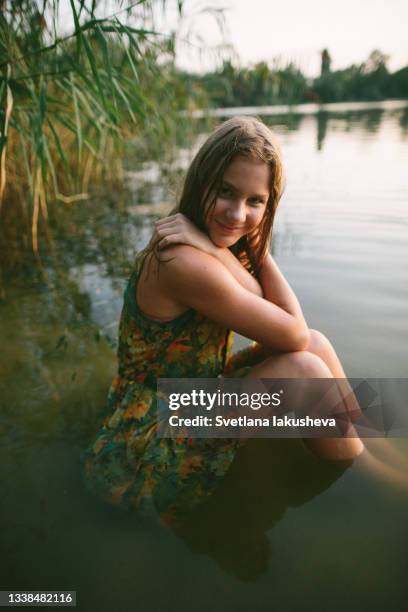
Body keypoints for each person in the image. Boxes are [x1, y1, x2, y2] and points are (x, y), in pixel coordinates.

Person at [81, 116, 365, 527]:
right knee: (303, 367)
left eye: (256, 201)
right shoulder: (180, 260)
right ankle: (357, 480)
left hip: (188, 400)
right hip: (150, 435)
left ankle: (363, 454)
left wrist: (242, 242)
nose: (237, 213)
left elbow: (287, 323)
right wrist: (233, 246)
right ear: (201, 182)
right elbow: (291, 332)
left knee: (317, 347)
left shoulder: (207, 245)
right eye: (226, 192)